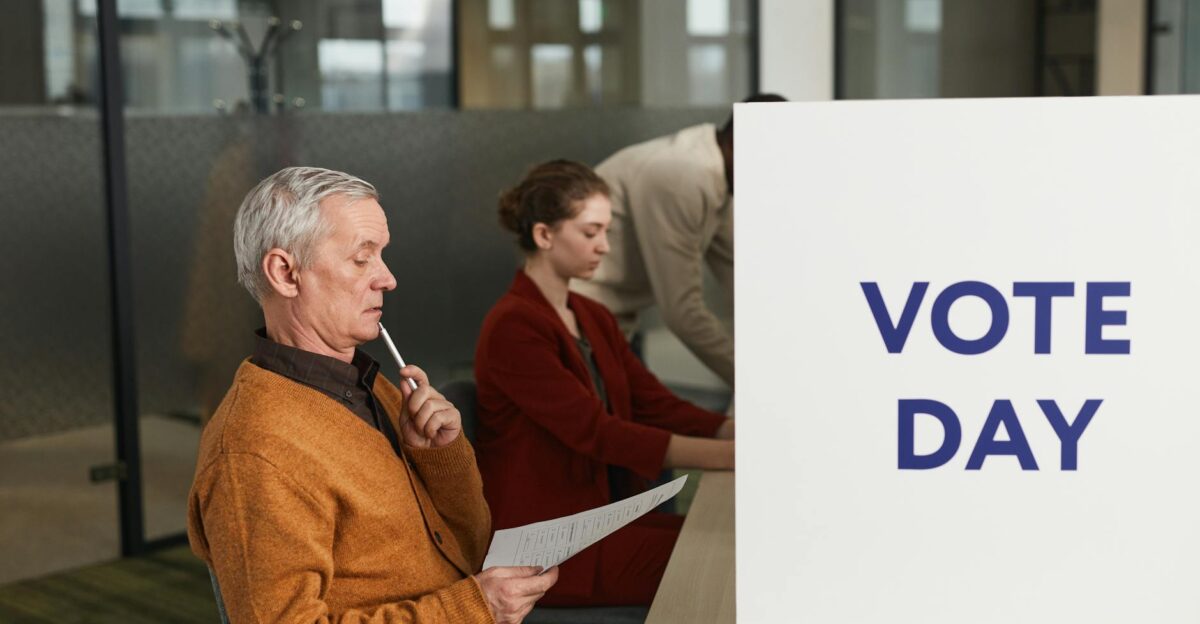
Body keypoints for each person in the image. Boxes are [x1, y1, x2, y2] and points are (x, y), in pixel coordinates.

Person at [187, 166, 558, 623]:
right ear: (285, 273)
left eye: (382, 256)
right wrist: (475, 609)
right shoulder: (254, 452)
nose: (387, 278)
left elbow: (471, 547)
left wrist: (441, 458)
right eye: (363, 259)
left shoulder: (370, 386)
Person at [474, 160, 735, 607]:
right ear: (544, 235)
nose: (604, 247)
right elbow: (598, 433)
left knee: (734, 542)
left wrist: (732, 431)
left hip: (598, 521)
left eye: (607, 232)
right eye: (591, 232)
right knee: (727, 558)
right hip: (547, 546)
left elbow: (654, 403)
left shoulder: (591, 315)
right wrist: (732, 456)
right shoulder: (513, 326)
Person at [571, 94, 787, 389]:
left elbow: (740, 273)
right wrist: (755, 381)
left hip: (612, 323)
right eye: (771, 160)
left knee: (650, 418)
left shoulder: (719, 175)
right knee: (627, 426)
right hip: (579, 322)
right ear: (739, 145)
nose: (775, 176)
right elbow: (682, 313)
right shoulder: (682, 178)